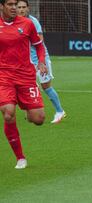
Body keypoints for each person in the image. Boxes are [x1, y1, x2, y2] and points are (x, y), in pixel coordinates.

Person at [0, 0, 47, 169]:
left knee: (39, 119)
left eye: (16, 4)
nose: (14, 8)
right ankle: (20, 157)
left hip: (26, 77)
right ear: (2, 6)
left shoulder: (27, 24)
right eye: (10, 4)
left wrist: (41, 62)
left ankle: (27, 110)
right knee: (8, 113)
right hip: (3, 77)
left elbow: (39, 46)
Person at [16, 0, 66, 124]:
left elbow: (40, 43)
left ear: (28, 8)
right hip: (26, 62)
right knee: (25, 87)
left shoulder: (33, 22)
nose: (21, 10)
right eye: (19, 7)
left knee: (46, 87)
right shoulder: (14, 23)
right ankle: (30, 111)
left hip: (39, 60)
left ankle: (60, 111)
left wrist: (41, 61)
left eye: (24, 7)